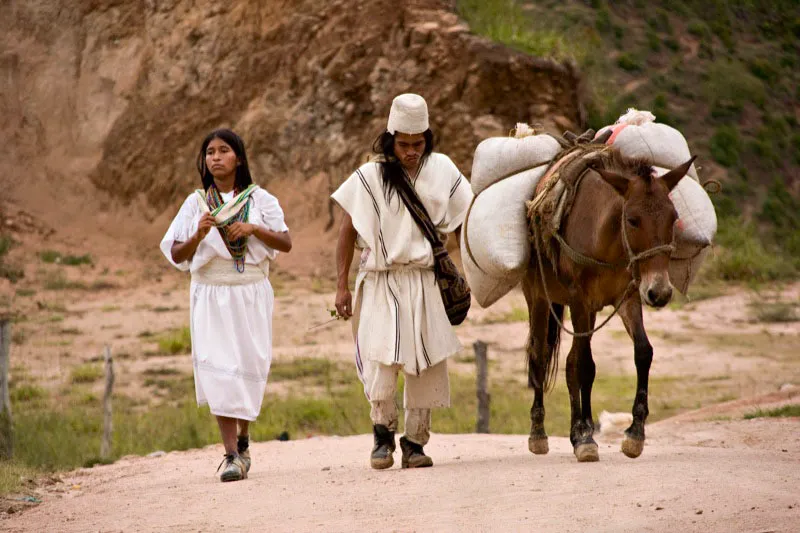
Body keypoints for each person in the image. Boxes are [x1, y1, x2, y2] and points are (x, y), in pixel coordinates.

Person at [331, 94, 472, 469]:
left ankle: (415, 443)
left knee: (425, 363)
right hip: (381, 279)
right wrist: (341, 285)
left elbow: (462, 222)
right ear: (390, 138)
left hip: (425, 280)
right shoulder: (370, 175)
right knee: (382, 358)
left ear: (428, 138)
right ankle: (382, 437)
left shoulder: (442, 169)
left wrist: (460, 272)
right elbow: (346, 230)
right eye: (404, 144)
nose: (411, 151)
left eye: (418, 143)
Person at [160, 128, 292, 482]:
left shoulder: (260, 200)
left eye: (223, 151)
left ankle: (244, 442)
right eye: (209, 152)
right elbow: (175, 253)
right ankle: (231, 454)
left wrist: (252, 229)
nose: (215, 157)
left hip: (249, 292)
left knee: (248, 367)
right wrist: (198, 235)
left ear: (239, 158)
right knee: (219, 371)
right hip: (210, 294)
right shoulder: (195, 204)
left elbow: (285, 242)